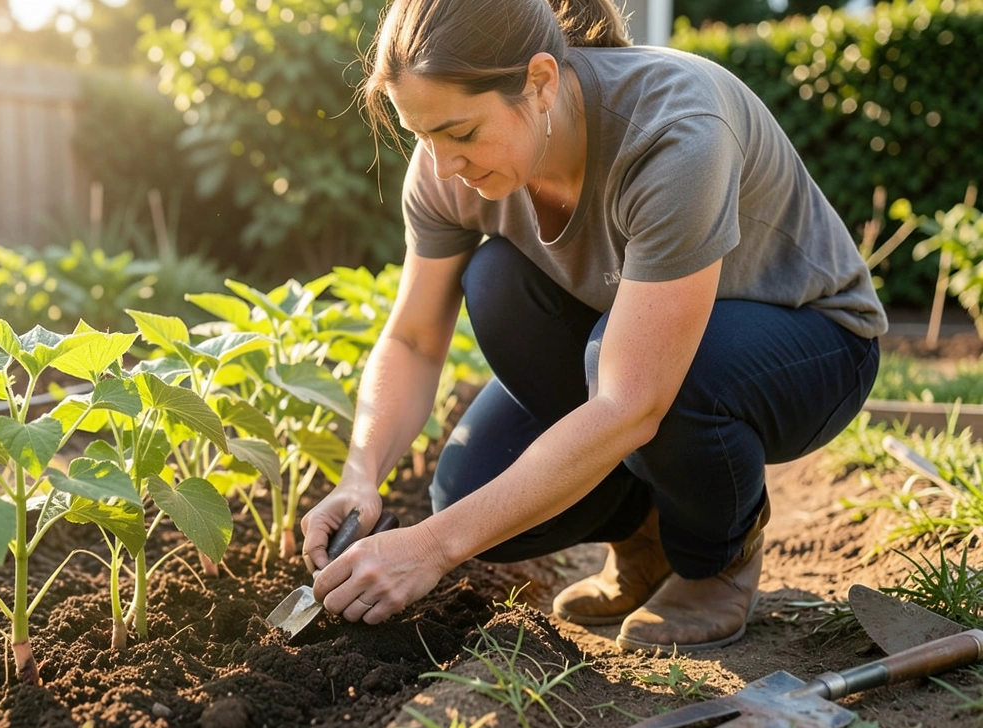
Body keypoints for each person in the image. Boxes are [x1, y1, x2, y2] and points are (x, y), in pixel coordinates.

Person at [300, 0, 886, 653]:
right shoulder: (445, 169)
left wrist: (432, 549)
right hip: (638, 348)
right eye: (420, 135)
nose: (440, 167)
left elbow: (631, 402)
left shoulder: (673, 130)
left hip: (812, 341)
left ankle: (716, 558)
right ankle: (647, 538)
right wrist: (360, 475)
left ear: (542, 82)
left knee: (662, 384)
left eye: (461, 134)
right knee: (469, 467)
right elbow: (411, 338)